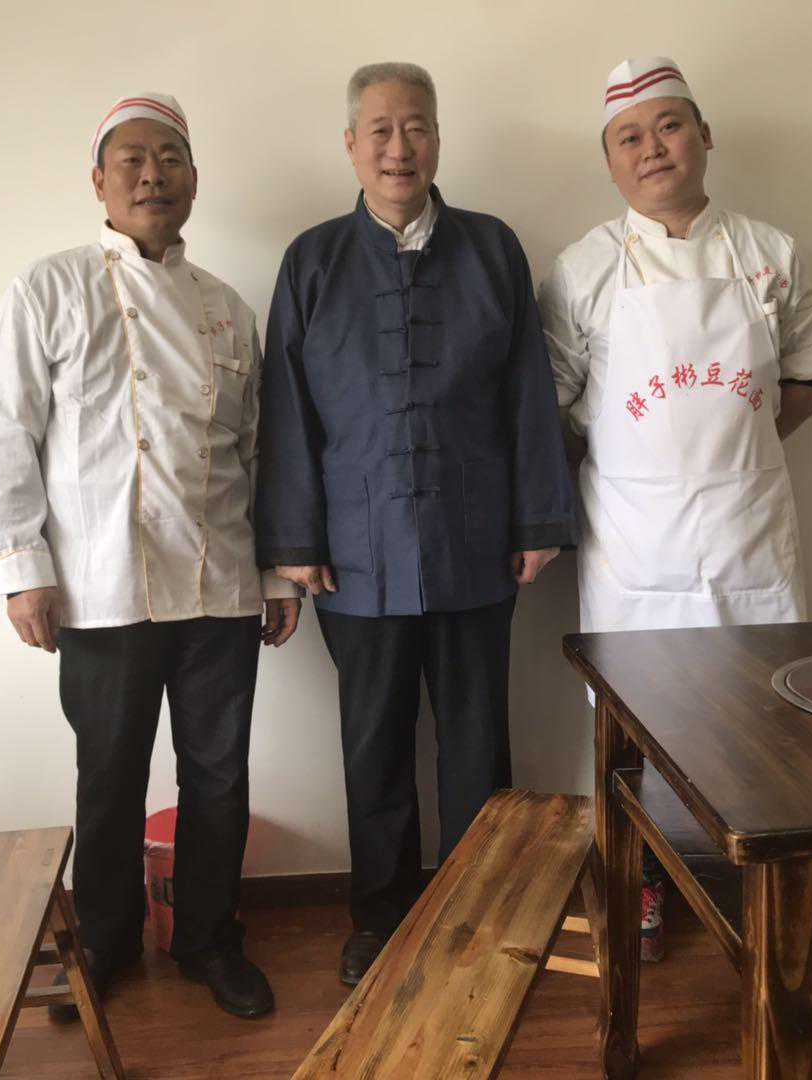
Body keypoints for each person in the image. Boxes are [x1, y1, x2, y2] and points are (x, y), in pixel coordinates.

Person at [0, 93, 301, 1020]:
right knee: (110, 777)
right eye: (133, 160)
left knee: (219, 778)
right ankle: (107, 943)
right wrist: (23, 569)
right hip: (100, 585)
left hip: (217, 582)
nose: (153, 175)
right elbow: (4, 430)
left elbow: (259, 452)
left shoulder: (227, 309)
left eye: (170, 159)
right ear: (100, 182)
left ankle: (208, 940)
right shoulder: (50, 288)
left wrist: (276, 573)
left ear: (194, 179)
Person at [255, 62, 574, 986]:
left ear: (438, 138)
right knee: (374, 750)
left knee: (478, 744)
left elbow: (528, 391)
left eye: (418, 127)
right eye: (381, 130)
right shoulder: (312, 260)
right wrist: (295, 544)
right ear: (351, 145)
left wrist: (540, 518)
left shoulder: (492, 248)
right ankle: (382, 921)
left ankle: (482, 914)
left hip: (477, 543)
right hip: (354, 558)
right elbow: (287, 412)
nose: (400, 148)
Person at [539, 57, 812, 960]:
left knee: (763, 718)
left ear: (704, 135)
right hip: (635, 544)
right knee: (635, 721)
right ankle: (641, 881)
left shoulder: (770, 253)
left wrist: (730, 452)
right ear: (610, 162)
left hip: (750, 534)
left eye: (669, 126)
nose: (653, 149)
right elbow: (554, 409)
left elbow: (809, 380)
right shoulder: (584, 268)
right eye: (629, 137)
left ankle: (754, 886)